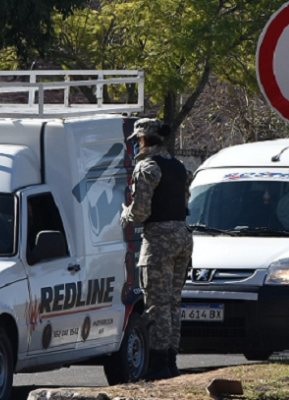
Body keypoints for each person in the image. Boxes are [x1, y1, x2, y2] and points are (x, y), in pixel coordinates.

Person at [120, 118, 193, 379]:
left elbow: (141, 211)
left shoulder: (148, 167)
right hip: (183, 236)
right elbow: (184, 202)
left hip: (160, 239)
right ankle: (171, 360)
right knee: (173, 303)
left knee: (156, 305)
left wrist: (124, 215)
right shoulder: (178, 166)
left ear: (143, 139)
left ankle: (159, 363)